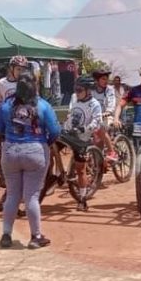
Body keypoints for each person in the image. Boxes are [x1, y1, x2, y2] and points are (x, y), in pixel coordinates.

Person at [0, 72, 61, 248]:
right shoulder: (43, 105)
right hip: (35, 151)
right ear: (35, 85)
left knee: (12, 194)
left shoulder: (6, 105)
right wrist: (45, 142)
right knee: (31, 196)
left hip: (10, 151)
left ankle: (6, 235)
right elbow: (55, 131)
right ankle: (35, 237)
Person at [64, 75, 104, 211]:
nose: (77, 92)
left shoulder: (95, 104)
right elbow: (70, 116)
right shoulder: (75, 100)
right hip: (69, 133)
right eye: (75, 89)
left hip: (82, 138)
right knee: (52, 146)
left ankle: (82, 199)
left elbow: (96, 122)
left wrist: (84, 129)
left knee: (80, 170)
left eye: (79, 90)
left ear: (88, 91)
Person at [90, 68, 119, 162]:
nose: (106, 81)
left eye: (106, 79)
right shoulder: (91, 90)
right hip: (94, 117)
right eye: (103, 79)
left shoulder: (109, 90)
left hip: (107, 116)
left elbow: (112, 102)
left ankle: (112, 152)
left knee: (100, 129)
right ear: (96, 80)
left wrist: (108, 111)